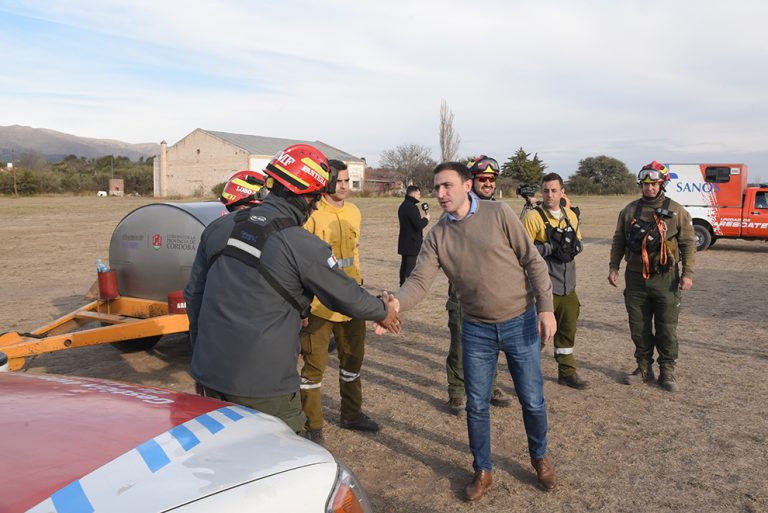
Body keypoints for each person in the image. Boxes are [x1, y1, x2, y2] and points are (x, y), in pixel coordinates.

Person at [185, 144, 400, 434]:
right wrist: (384, 311)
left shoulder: (218, 228)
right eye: (316, 197)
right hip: (264, 385)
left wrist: (200, 357)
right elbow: (347, 296)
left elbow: (194, 295)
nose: (316, 206)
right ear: (306, 196)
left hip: (210, 373)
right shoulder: (301, 244)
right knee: (279, 453)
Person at [383, 161, 558, 501]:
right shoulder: (438, 235)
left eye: (447, 185)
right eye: (437, 187)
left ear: (467, 185)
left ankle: (540, 458)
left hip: (520, 321)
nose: (440, 193)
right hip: (476, 329)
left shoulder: (499, 213)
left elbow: (532, 260)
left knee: (532, 400)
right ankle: (482, 470)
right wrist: (395, 304)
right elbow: (419, 281)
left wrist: (546, 308)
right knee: (476, 405)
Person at [299, 159, 379, 444]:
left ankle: (351, 414)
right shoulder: (311, 214)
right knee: (314, 367)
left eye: (347, 181)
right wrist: (302, 306)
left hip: (351, 300)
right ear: (325, 183)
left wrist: (359, 290)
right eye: (339, 181)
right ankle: (313, 426)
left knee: (353, 361)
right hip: (319, 305)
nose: (344, 186)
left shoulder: (354, 212)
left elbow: (353, 255)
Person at [608, 161, 695, 392]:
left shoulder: (677, 211)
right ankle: (644, 367)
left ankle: (667, 370)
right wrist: (614, 267)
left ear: (662, 184)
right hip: (635, 278)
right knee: (638, 326)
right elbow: (619, 239)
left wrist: (687, 274)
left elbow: (688, 243)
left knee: (666, 327)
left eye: (654, 184)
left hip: (666, 278)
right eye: (645, 184)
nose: (649, 188)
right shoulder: (628, 211)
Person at [445, 155, 511, 415]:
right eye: (483, 178)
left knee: (491, 342)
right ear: (471, 181)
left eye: (492, 179)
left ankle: (491, 386)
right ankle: (457, 391)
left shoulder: (498, 211)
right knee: (460, 345)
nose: (488, 183)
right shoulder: (458, 211)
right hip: (463, 292)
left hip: (493, 291)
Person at [523, 173, 590, 389]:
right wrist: (549, 247)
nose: (549, 195)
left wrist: (574, 247)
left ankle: (567, 371)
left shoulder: (570, 215)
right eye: (545, 191)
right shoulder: (533, 217)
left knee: (567, 330)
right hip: (544, 287)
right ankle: (527, 377)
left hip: (568, 286)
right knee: (538, 334)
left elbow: (578, 242)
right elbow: (523, 251)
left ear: (562, 192)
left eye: (554, 190)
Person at [397, 185, 430, 285]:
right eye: (419, 194)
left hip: (404, 241)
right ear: (414, 193)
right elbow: (418, 225)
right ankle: (408, 288)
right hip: (412, 243)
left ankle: (402, 286)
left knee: (404, 265)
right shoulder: (411, 207)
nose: (420, 196)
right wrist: (426, 219)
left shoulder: (403, 206)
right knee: (410, 267)